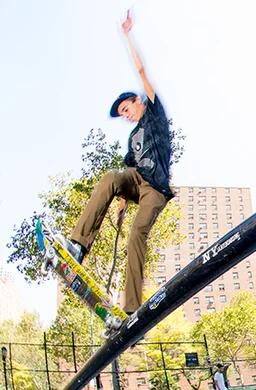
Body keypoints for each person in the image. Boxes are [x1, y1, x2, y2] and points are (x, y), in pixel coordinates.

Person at [69, 10, 174, 317]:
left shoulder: (154, 112)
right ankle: (79, 244)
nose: (127, 115)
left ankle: (131, 309)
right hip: (136, 182)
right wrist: (120, 204)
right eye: (124, 113)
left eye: (128, 108)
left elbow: (141, 71)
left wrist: (127, 34)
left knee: (137, 234)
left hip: (155, 190)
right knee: (109, 178)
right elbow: (123, 177)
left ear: (138, 101)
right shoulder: (132, 139)